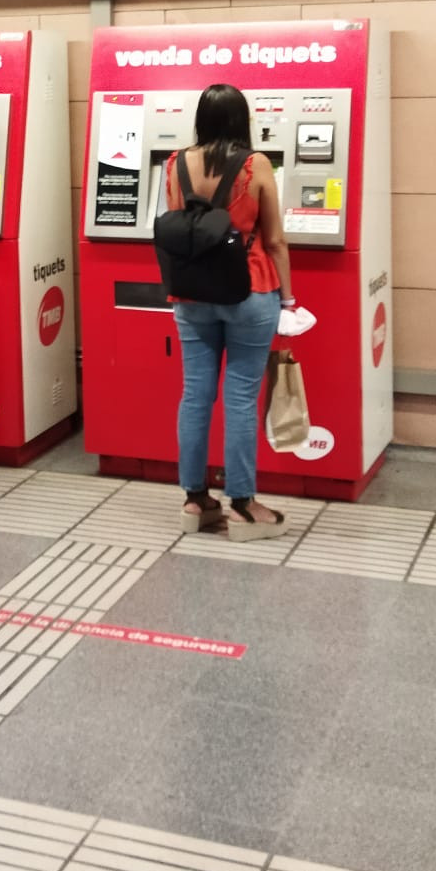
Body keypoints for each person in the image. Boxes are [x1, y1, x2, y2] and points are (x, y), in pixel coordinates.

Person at [164, 83, 294, 541]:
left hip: (192, 295)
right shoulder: (256, 165)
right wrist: (290, 299)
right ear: (243, 121)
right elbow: (275, 239)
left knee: (195, 395)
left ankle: (195, 499)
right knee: (240, 397)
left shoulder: (175, 163)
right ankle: (242, 504)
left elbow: (183, 226)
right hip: (250, 289)